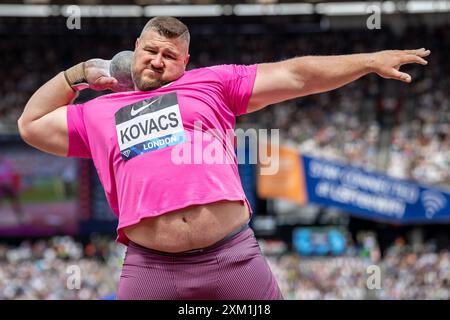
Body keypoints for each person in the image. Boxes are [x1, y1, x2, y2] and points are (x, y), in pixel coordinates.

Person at [17, 17, 430, 300]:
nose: (158, 61)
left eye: (170, 56)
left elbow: (297, 75)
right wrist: (77, 75)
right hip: (151, 269)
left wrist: (369, 62)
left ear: (185, 63)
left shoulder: (213, 83)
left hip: (233, 258)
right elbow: (31, 125)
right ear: (134, 50)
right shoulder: (97, 111)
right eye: (150, 51)